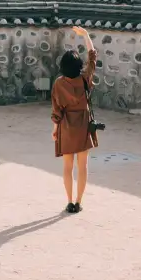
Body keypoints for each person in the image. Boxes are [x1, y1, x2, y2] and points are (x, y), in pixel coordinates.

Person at [50, 25, 98, 214]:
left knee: (67, 167)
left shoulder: (59, 84)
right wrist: (85, 35)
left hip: (66, 126)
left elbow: (56, 110)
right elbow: (92, 56)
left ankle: (69, 201)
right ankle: (79, 202)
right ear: (79, 66)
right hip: (84, 125)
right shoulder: (85, 78)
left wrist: (55, 129)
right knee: (83, 166)